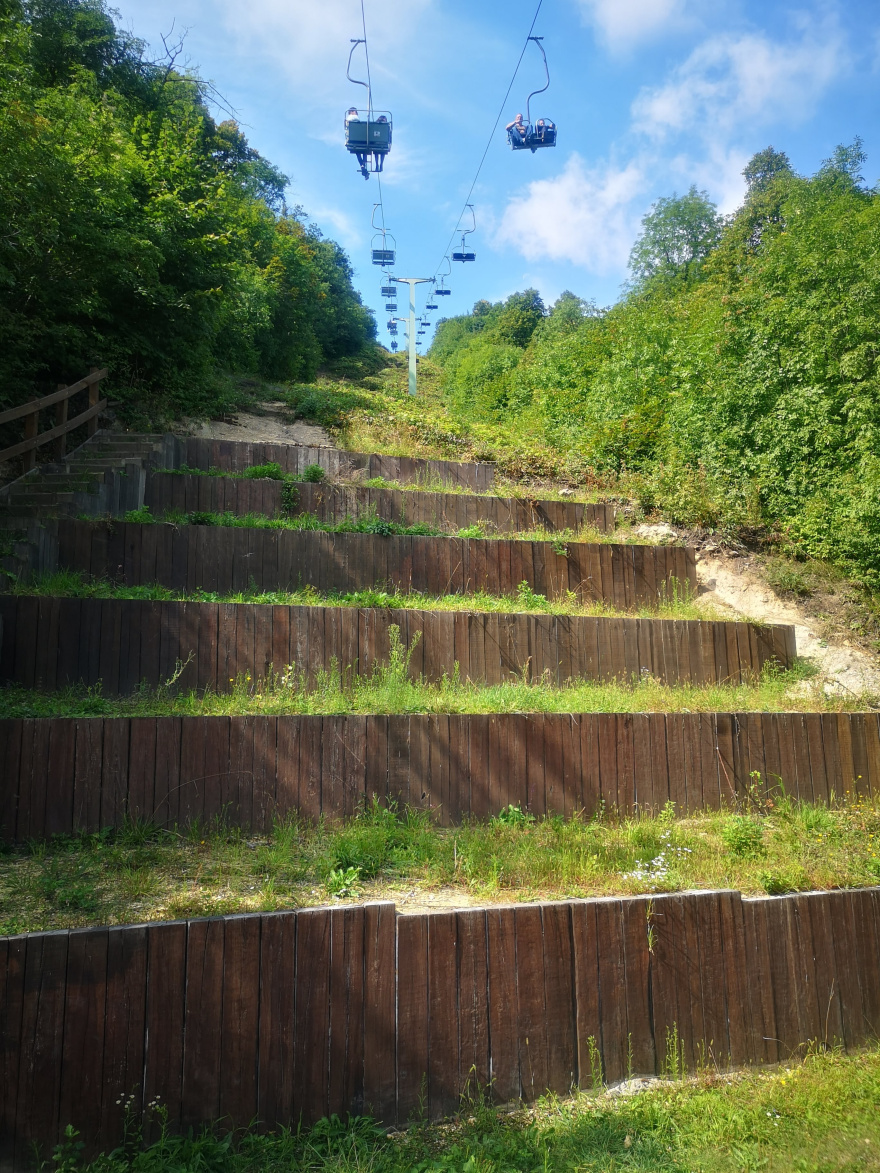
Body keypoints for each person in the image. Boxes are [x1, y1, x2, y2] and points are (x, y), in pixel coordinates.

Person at [345, 107, 370, 177]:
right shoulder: (353, 117)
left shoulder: (347, 119)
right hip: (359, 138)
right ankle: (363, 166)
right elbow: (356, 121)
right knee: (364, 151)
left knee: (358, 153)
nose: (355, 112)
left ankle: (363, 166)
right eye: (354, 111)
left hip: (354, 139)